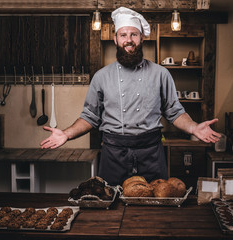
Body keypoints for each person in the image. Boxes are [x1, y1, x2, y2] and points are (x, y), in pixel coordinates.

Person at [40, 7, 221, 186]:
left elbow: (174, 112)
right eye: (123, 35)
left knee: (154, 207)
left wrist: (194, 128)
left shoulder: (160, 74)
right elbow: (90, 117)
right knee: (110, 206)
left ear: (142, 38)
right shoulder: (102, 76)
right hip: (113, 155)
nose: (129, 40)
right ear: (115, 39)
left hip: (151, 153)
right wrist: (66, 134)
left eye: (134, 34)